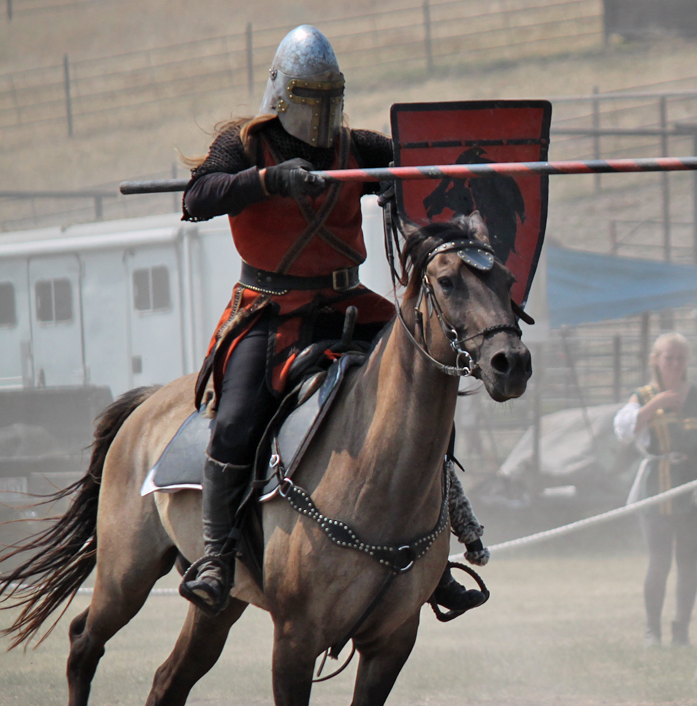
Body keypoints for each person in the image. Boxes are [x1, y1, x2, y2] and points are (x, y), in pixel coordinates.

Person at [178, 24, 487, 616]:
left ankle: (433, 550)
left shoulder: (355, 147)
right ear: (281, 90)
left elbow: (417, 167)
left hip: (351, 304)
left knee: (427, 394)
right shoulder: (244, 145)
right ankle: (217, 557)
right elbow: (198, 198)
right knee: (236, 421)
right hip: (271, 310)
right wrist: (267, 181)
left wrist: (402, 183)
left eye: (330, 97)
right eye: (309, 96)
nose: (321, 111)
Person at [614, 333, 697, 646]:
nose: (675, 364)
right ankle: (653, 630)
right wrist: (656, 404)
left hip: (695, 485)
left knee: (688, 559)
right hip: (658, 486)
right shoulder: (644, 395)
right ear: (656, 360)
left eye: (680, 358)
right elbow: (625, 431)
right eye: (668, 358)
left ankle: (681, 630)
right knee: (659, 560)